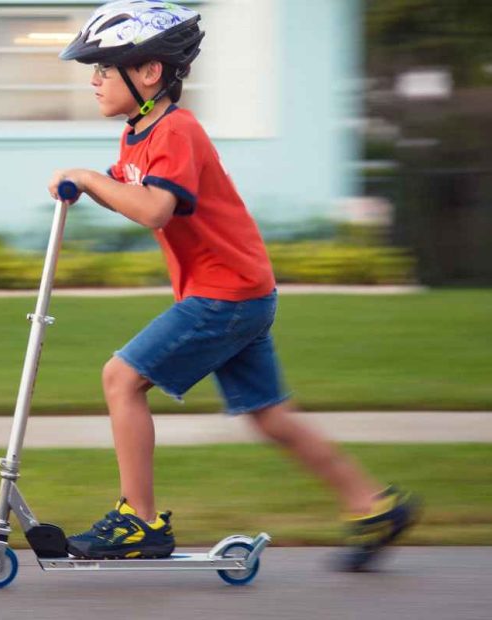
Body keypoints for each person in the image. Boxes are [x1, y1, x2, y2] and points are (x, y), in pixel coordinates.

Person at [47, 0, 419, 571]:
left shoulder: (178, 130)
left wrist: (89, 180)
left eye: (103, 66)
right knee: (270, 416)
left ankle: (138, 520)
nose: (93, 79)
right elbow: (138, 193)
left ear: (149, 72)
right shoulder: (137, 135)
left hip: (224, 295)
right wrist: (91, 184)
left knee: (121, 378)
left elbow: (153, 210)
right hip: (241, 291)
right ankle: (375, 506)